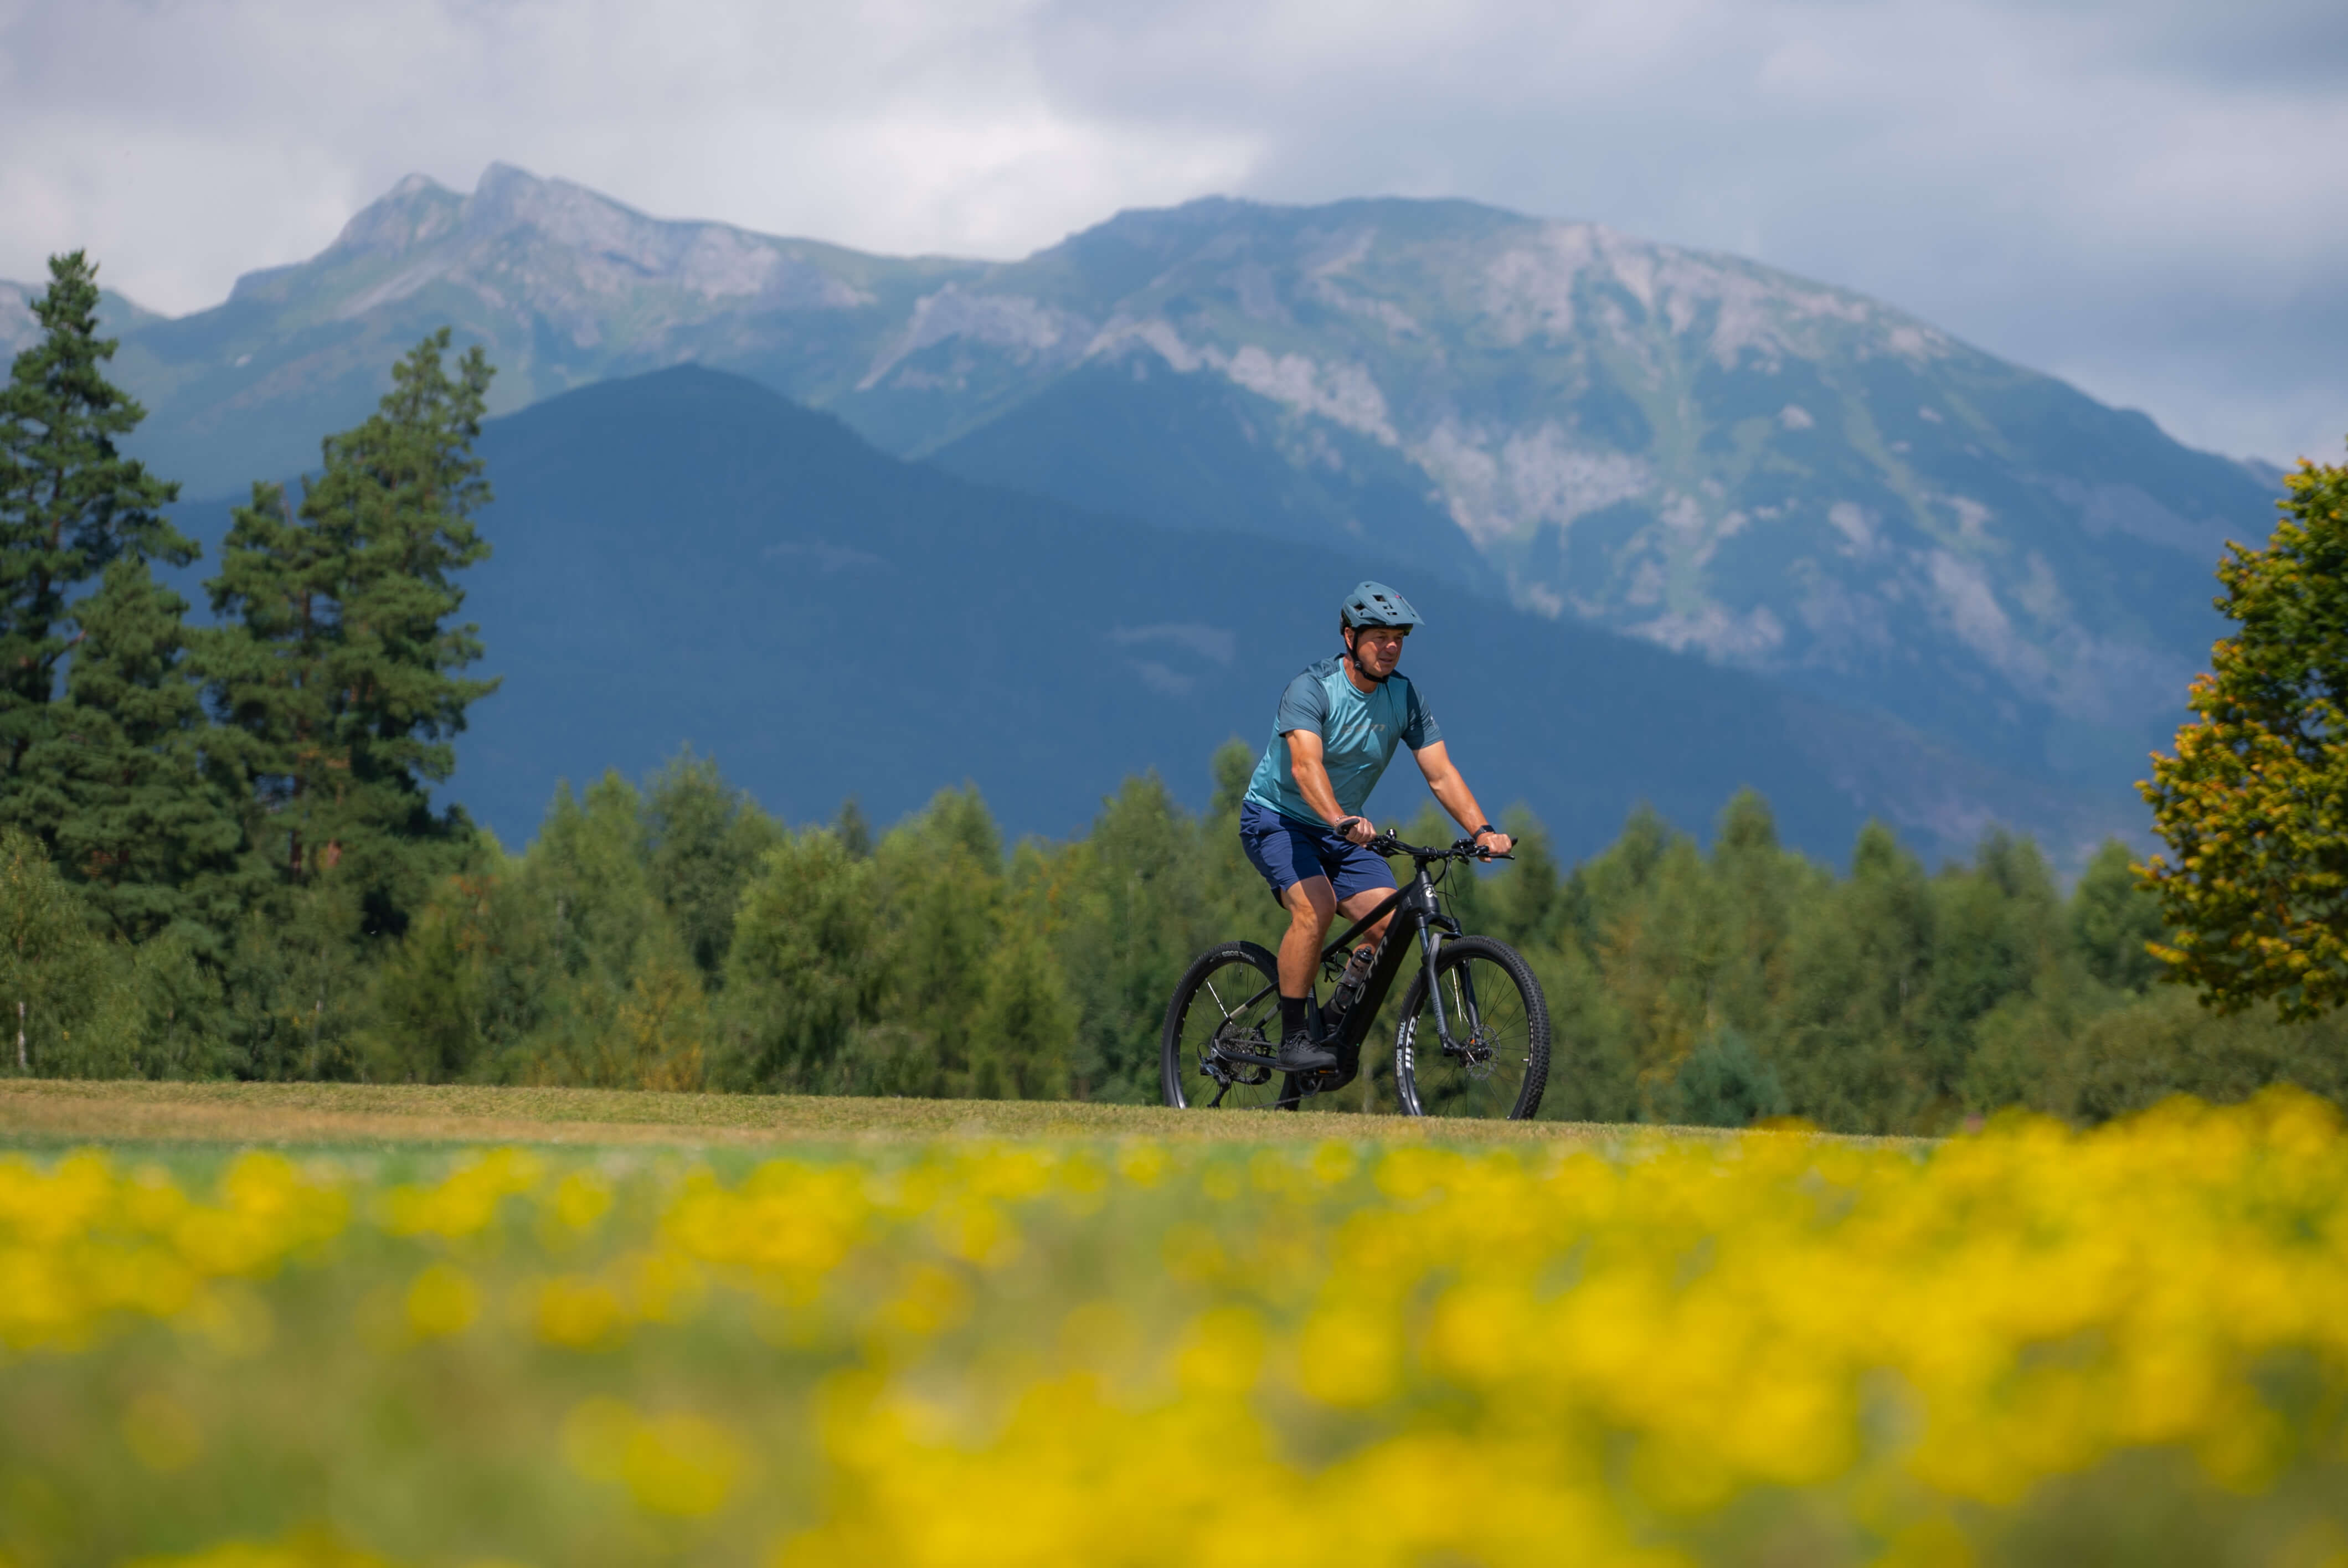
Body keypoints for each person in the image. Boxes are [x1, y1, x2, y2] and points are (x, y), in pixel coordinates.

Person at [1238, 581, 1515, 1072]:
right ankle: (1293, 1037)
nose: (1390, 647)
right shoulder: (1313, 688)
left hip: (1341, 832)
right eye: (1378, 637)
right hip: (1277, 819)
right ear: (1350, 637)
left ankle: (1332, 1018)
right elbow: (1305, 768)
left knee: (1388, 927)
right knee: (1315, 909)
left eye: (1399, 638)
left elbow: (1441, 773)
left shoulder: (1404, 698)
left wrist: (1482, 830)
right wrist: (1339, 819)